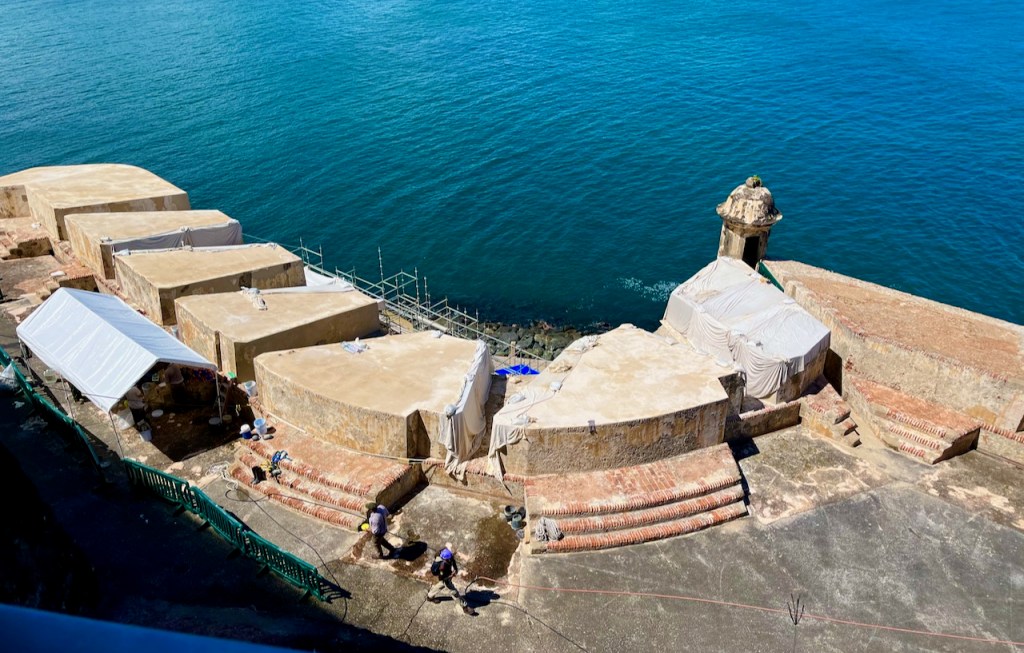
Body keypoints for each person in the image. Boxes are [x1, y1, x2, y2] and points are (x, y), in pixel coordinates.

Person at [427, 543, 477, 615]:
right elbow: (442, 577)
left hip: (446, 575)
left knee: (441, 584)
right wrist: (451, 576)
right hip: (445, 578)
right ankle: (465, 607)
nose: (450, 559)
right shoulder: (441, 566)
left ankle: (430, 596)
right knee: (454, 592)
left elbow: (452, 560)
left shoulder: (447, 555)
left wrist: (455, 570)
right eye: (449, 559)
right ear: (445, 559)